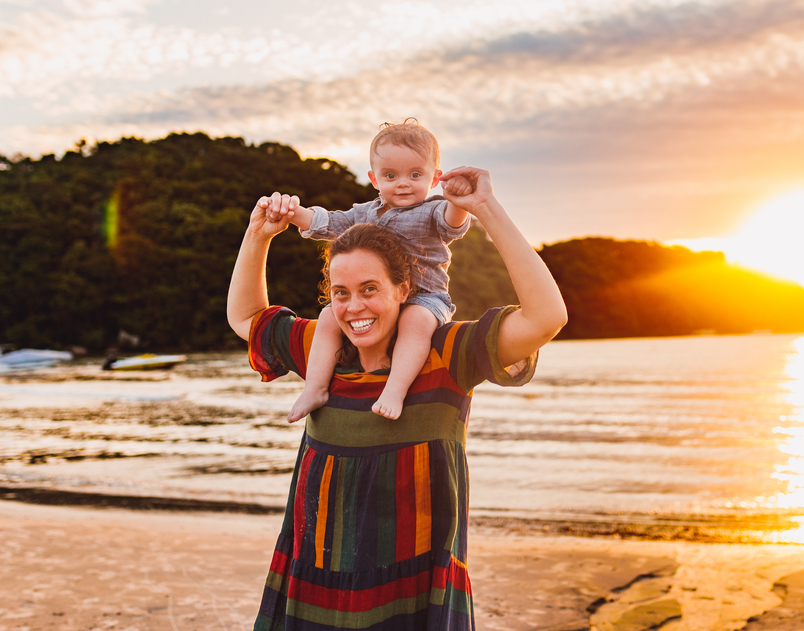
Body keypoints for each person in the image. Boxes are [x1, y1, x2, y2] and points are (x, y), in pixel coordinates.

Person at [227, 165, 566, 631]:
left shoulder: (445, 356)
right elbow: (247, 317)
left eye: (370, 290)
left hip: (415, 596)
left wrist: (485, 209)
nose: (354, 308)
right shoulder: (322, 355)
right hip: (314, 586)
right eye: (341, 293)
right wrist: (258, 236)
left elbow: (546, 317)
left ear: (403, 290)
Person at [274, 120, 472, 423]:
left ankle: (395, 389)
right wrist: (293, 213)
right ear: (374, 179)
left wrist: (459, 201)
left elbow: (452, 224)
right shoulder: (365, 213)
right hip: (376, 298)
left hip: (426, 297)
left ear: (435, 179)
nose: (403, 183)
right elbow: (330, 223)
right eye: (391, 175)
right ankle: (315, 387)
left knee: (415, 320)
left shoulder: (433, 210)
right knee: (328, 315)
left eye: (415, 174)